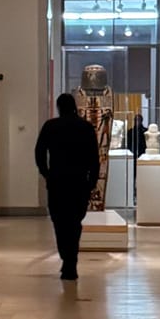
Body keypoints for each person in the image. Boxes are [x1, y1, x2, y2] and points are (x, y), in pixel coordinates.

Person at [34, 92, 100, 280]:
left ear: (59, 107)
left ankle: (67, 259)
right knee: (74, 223)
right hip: (79, 182)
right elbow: (94, 159)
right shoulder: (86, 127)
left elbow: (39, 152)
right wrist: (92, 182)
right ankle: (71, 261)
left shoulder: (51, 126)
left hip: (57, 182)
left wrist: (46, 173)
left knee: (60, 222)